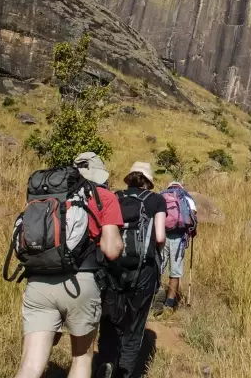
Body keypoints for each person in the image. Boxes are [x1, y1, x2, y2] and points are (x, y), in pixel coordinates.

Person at [13, 152, 123, 378]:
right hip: (80, 284)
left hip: (38, 281)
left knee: (31, 366)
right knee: (81, 360)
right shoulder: (105, 196)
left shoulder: (47, 196)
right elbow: (111, 250)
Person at [95, 162, 166, 378]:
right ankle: (124, 372)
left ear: (130, 178)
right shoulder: (156, 200)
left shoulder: (115, 196)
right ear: (148, 180)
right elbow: (161, 237)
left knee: (111, 320)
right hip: (144, 270)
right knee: (135, 325)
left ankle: (107, 361)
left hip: (114, 268)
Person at [156, 180, 197, 315]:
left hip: (161, 236)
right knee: (175, 272)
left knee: (158, 268)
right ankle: (169, 303)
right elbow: (193, 219)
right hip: (179, 238)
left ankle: (156, 296)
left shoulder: (161, 195)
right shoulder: (186, 198)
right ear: (180, 187)